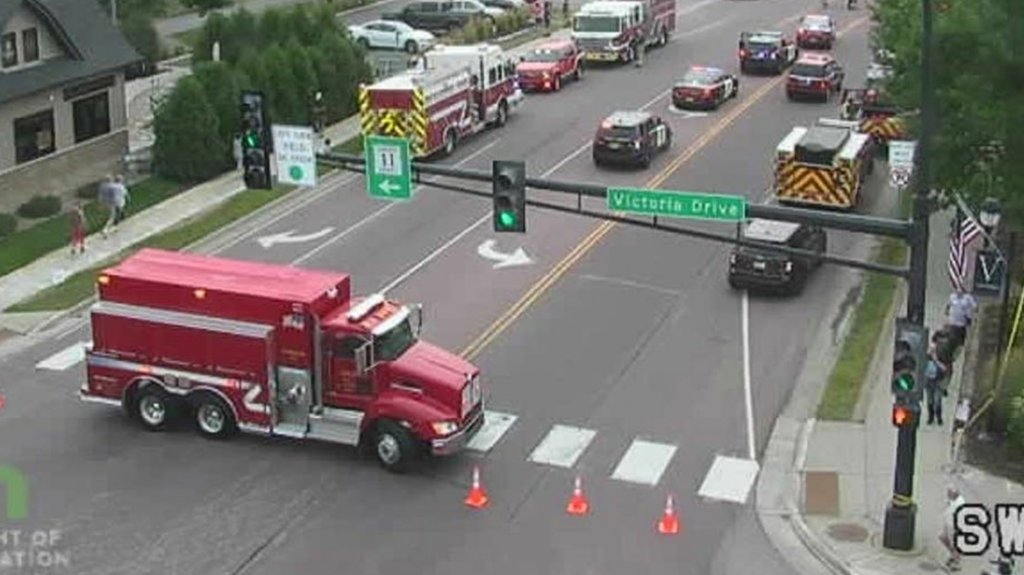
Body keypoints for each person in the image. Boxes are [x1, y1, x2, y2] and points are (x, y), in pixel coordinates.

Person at [939, 486, 966, 571]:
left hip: (954, 527)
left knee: (954, 544)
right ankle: (953, 556)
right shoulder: (952, 500)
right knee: (942, 537)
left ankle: (956, 563)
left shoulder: (960, 503)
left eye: (950, 493)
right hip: (948, 524)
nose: (948, 495)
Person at [945, 286, 978, 352]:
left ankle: (960, 348)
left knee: (961, 338)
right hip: (953, 322)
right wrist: (947, 311)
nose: (958, 293)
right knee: (953, 336)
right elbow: (948, 305)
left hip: (963, 322)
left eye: (960, 292)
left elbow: (975, 307)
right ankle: (952, 348)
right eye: (957, 291)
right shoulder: (952, 297)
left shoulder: (968, 298)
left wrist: (973, 315)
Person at [924, 343, 948, 425]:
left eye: (933, 350)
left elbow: (944, 369)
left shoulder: (939, 358)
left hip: (937, 382)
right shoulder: (925, 358)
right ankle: (930, 417)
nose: (931, 352)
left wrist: (935, 360)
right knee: (930, 400)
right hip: (929, 382)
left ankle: (939, 417)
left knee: (937, 400)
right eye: (930, 350)